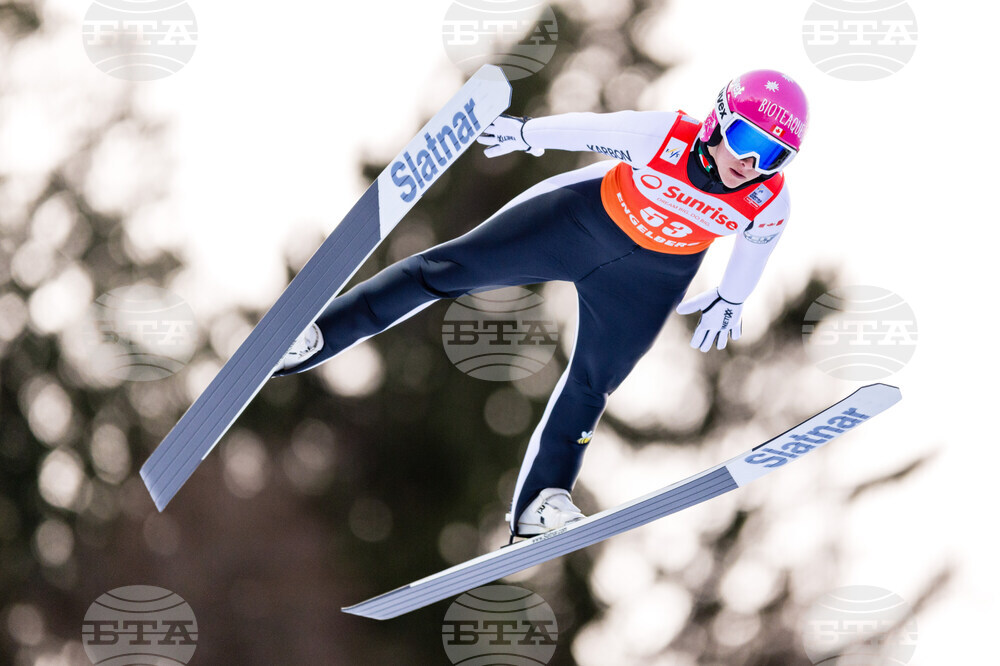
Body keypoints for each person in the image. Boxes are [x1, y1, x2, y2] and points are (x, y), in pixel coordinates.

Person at [273, 69, 809, 537]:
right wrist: (529, 135)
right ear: (717, 121)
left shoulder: (769, 200)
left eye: (772, 154)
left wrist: (732, 298)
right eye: (744, 139)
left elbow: (756, 250)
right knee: (446, 270)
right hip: (577, 224)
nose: (750, 161)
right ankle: (316, 335)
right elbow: (595, 129)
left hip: (649, 279)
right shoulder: (665, 135)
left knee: (594, 381)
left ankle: (541, 503)